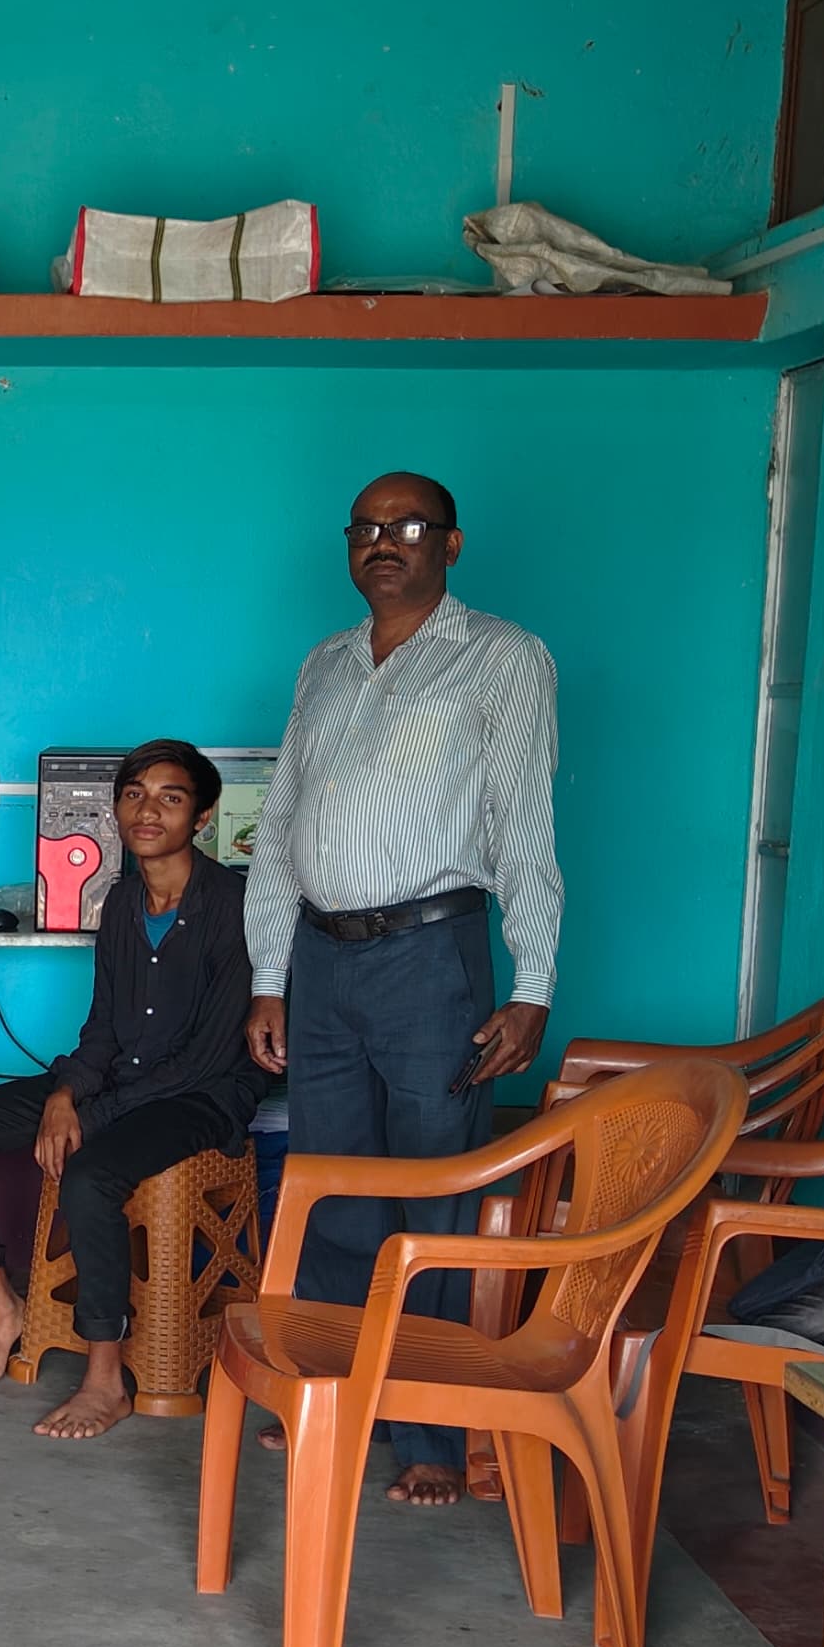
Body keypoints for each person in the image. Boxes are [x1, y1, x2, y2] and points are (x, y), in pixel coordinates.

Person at [243, 476, 559, 1507]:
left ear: (450, 545)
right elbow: (279, 828)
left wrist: (534, 982)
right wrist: (270, 977)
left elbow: (524, 824)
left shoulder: (502, 656)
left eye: (408, 527)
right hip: (323, 960)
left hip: (432, 959)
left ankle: (430, 1430)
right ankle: (337, 1393)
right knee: (333, 1185)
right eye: (367, 529)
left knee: (434, 1191)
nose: (385, 543)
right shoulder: (324, 662)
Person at [0, 741, 262, 1438]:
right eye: (134, 794)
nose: (147, 810)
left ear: (202, 816)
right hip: (120, 1077)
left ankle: (105, 1380)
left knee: (89, 1174)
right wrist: (62, 1096)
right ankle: (1, 1306)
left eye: (170, 798)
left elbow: (205, 1059)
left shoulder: (236, 906)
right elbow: (104, 1027)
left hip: (201, 1097)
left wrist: (91, 1112)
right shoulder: (122, 900)